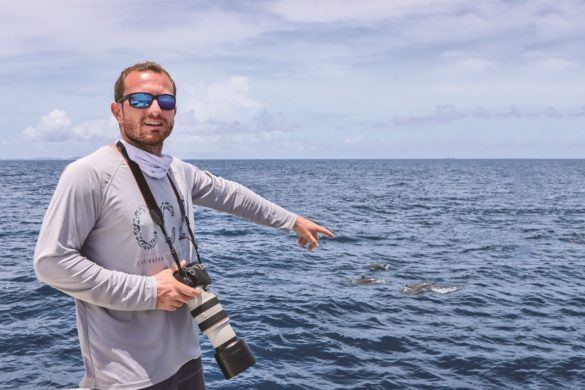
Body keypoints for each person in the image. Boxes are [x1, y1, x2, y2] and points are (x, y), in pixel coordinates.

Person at [33, 61, 334, 389]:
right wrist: (149, 291)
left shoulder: (178, 172)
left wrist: (292, 221)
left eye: (165, 102)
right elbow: (52, 263)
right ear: (117, 110)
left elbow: (231, 195)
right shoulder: (89, 174)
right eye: (139, 100)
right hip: (126, 375)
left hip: (188, 359)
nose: (154, 109)